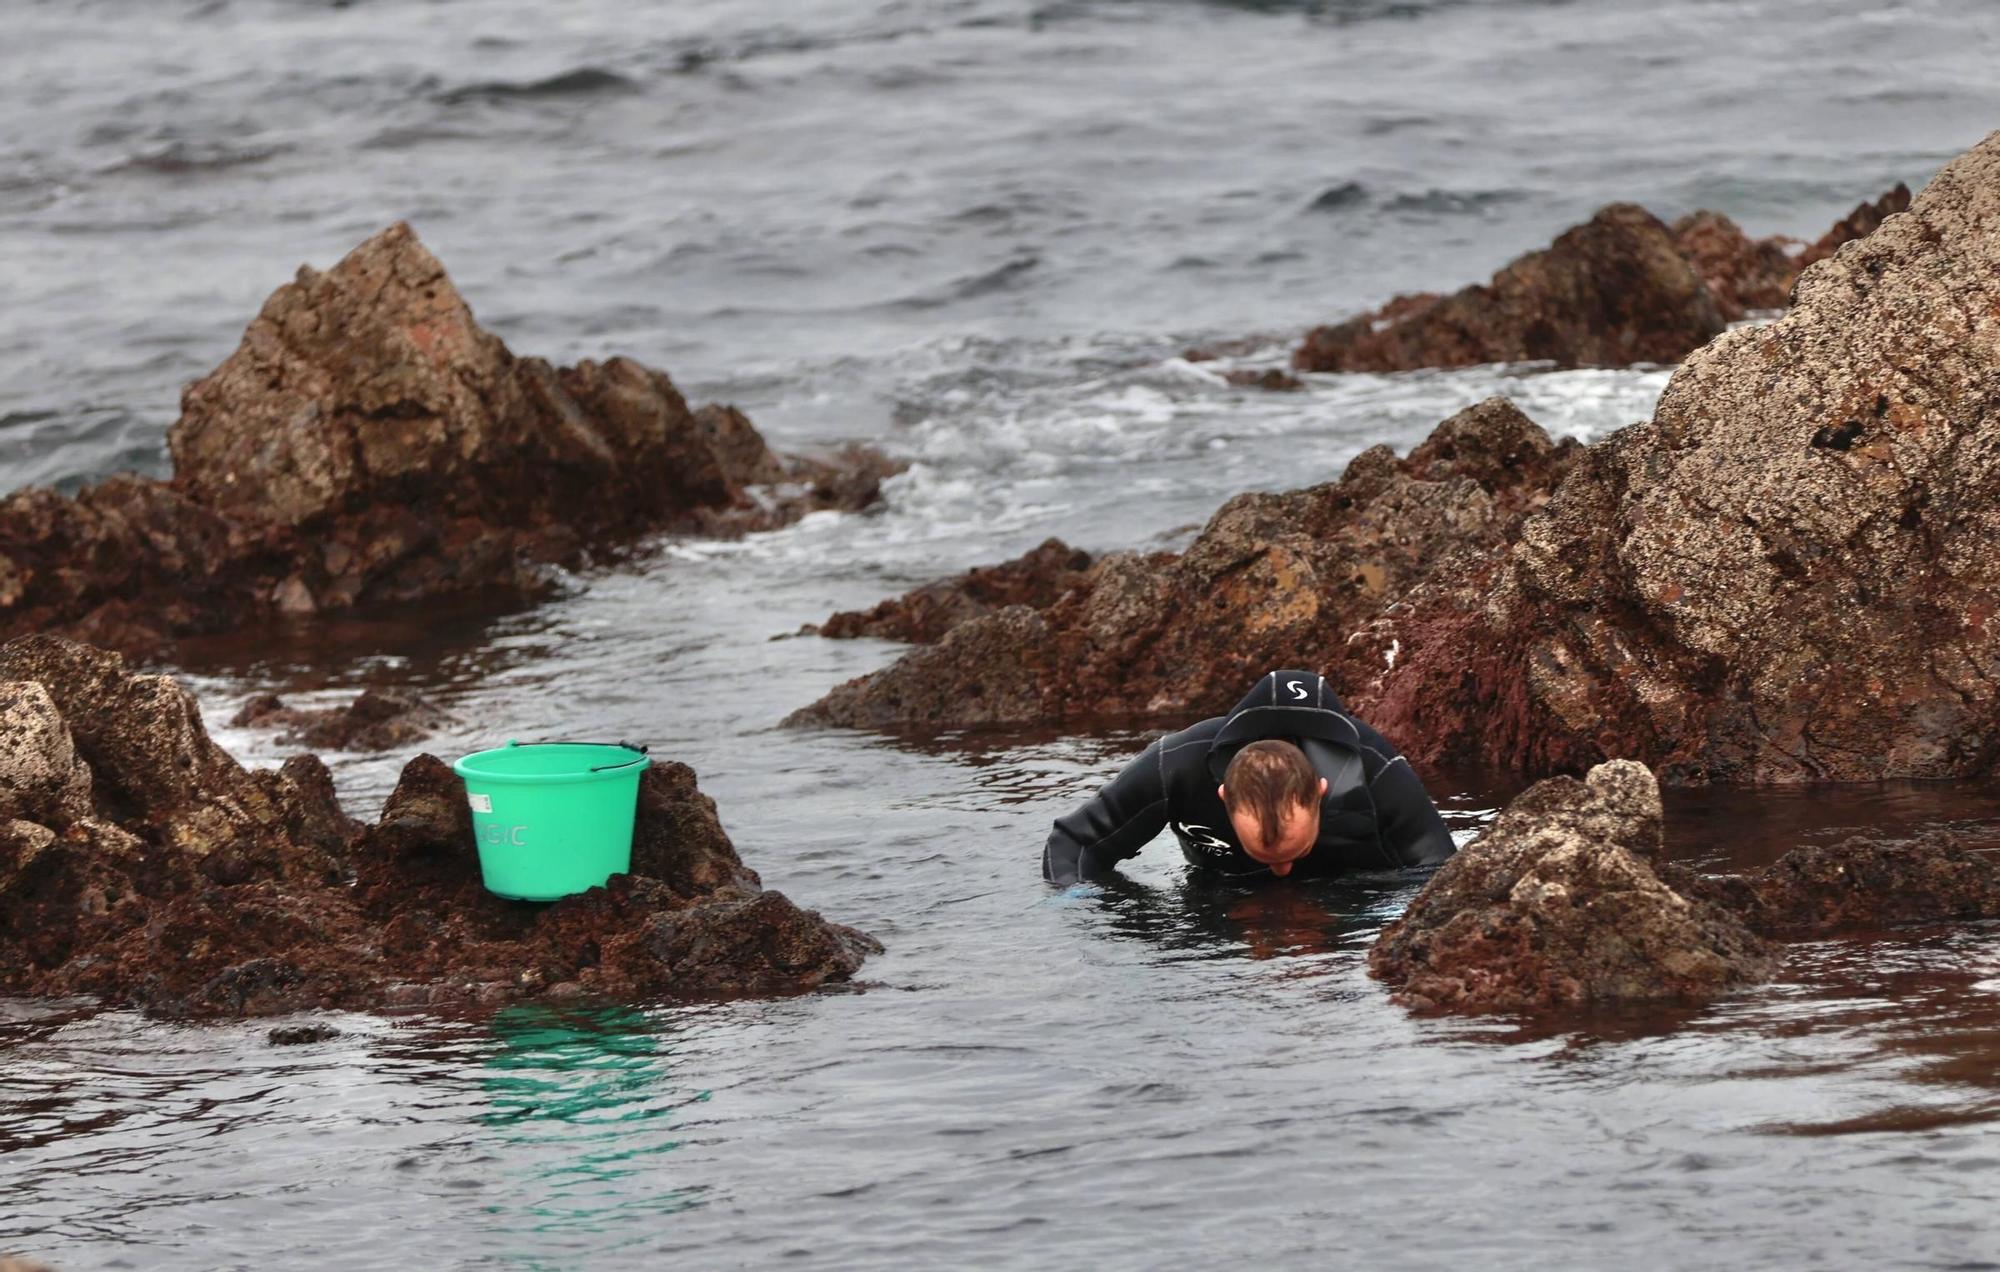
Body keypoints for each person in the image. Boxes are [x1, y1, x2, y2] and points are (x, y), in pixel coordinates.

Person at [1042, 669, 1455, 885]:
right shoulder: (1178, 765)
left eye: (1295, 850)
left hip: (1350, 894)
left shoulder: (1376, 774)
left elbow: (1441, 876)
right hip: (1222, 893)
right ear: (1223, 796)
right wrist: (1080, 911)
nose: (1282, 870)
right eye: (1266, 855)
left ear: (1320, 792)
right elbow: (1074, 844)